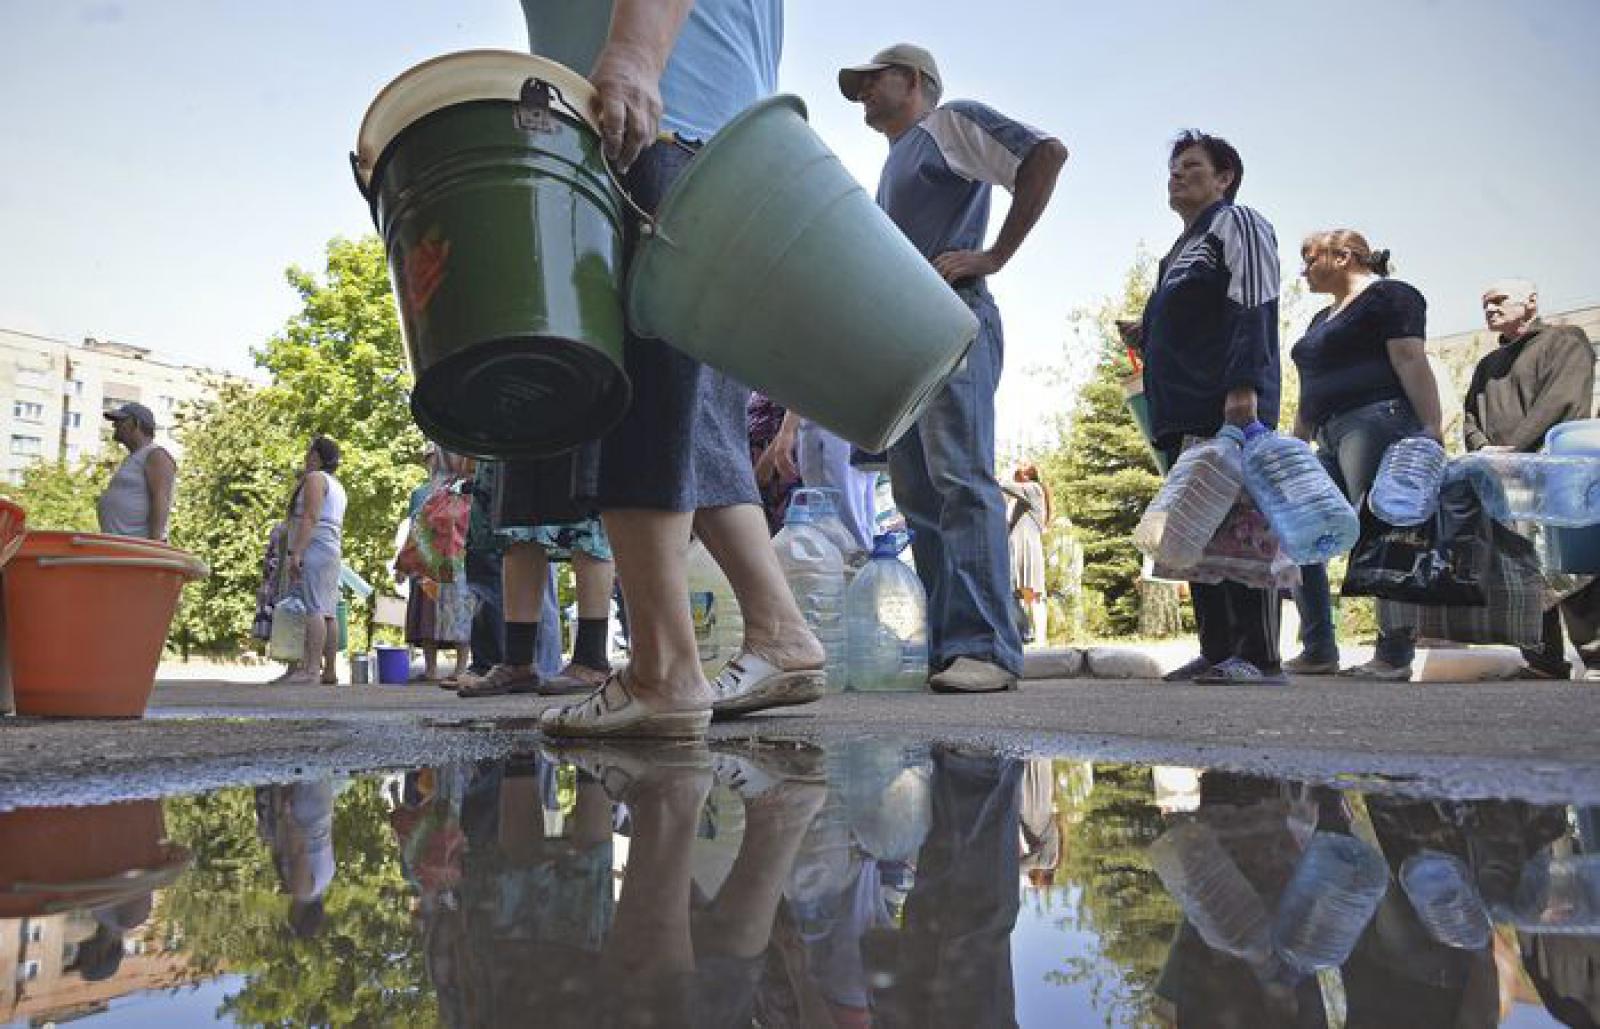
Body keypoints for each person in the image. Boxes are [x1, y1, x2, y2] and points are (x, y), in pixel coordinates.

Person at [537, 0, 827, 739]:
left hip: (655, 122)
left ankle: (663, 667)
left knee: (631, 387)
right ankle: (779, 630)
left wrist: (634, 50)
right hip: (731, 148)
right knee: (696, 419)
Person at [838, 43, 1068, 693]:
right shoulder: (894, 163)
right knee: (915, 492)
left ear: (913, 81)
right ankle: (947, 646)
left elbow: (1044, 155)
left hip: (951, 319)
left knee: (959, 475)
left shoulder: (947, 124)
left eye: (872, 81)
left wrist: (991, 255)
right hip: (906, 339)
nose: (863, 94)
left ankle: (988, 646)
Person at [1136, 130, 1285, 685]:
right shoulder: (1175, 251)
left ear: (1223, 178)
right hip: (1180, 412)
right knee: (1196, 526)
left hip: (1228, 404)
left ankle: (1260, 654)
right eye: (1172, 167)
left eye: (1191, 166)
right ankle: (1218, 648)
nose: (1176, 174)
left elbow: (1252, 298)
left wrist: (1244, 385)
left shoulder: (1236, 221)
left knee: (1243, 525)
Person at [1285, 231, 1444, 681]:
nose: (1303, 269)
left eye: (1309, 258)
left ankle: (1393, 655)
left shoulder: (1390, 296)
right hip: (1327, 431)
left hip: (1375, 420)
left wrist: (1430, 428)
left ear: (1343, 256)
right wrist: (1297, 443)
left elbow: (1411, 359)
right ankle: (1317, 647)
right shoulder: (1320, 319)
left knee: (1381, 530)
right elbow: (1311, 386)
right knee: (1300, 525)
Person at [1464, 278, 1596, 678]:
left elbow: (1561, 401)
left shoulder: (1565, 340)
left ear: (1532, 302)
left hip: (1552, 472)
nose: (1490, 309)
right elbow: (1470, 415)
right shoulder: (1489, 364)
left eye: (1499, 300)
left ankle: (1595, 656)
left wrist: (1515, 449)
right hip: (1503, 479)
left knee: (1570, 564)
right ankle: (1542, 661)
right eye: (1485, 303)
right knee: (1519, 568)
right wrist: (1484, 449)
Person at [456, 455, 618, 698]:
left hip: (580, 420)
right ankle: (517, 662)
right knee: (515, 521)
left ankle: (591, 660)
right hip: (516, 425)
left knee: (587, 516)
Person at [278, 435, 347, 685]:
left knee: (313, 607)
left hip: (315, 545)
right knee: (328, 610)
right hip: (331, 547)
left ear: (317, 456)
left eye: (309, 453)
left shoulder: (315, 479)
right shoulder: (337, 485)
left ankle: (309, 670)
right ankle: (329, 671)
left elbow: (310, 516)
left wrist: (296, 552)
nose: (306, 458)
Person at [402, 446, 474, 683]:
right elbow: (416, 525)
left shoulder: (466, 486)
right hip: (433, 557)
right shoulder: (428, 491)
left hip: (459, 556)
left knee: (461, 608)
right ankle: (432, 668)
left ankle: (461, 668)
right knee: (429, 613)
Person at [765, 410, 879, 552]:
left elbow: (803, 387)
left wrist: (787, 431)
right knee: (862, 526)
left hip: (828, 421)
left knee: (839, 526)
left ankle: (860, 568)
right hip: (858, 420)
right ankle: (870, 568)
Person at [96, 401, 176, 541]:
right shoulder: (133, 458)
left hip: (138, 550)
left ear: (136, 424)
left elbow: (161, 499)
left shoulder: (155, 455)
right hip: (120, 547)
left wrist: (154, 544)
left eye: (120, 420)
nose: (115, 425)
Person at [1001, 465, 1050, 645]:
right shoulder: (1019, 499)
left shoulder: (1034, 489)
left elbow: (1004, 485)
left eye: (1018, 475)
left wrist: (1008, 473)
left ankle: (1040, 640)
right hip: (1016, 551)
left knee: (1033, 595)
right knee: (1016, 596)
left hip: (1027, 550)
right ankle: (1024, 634)